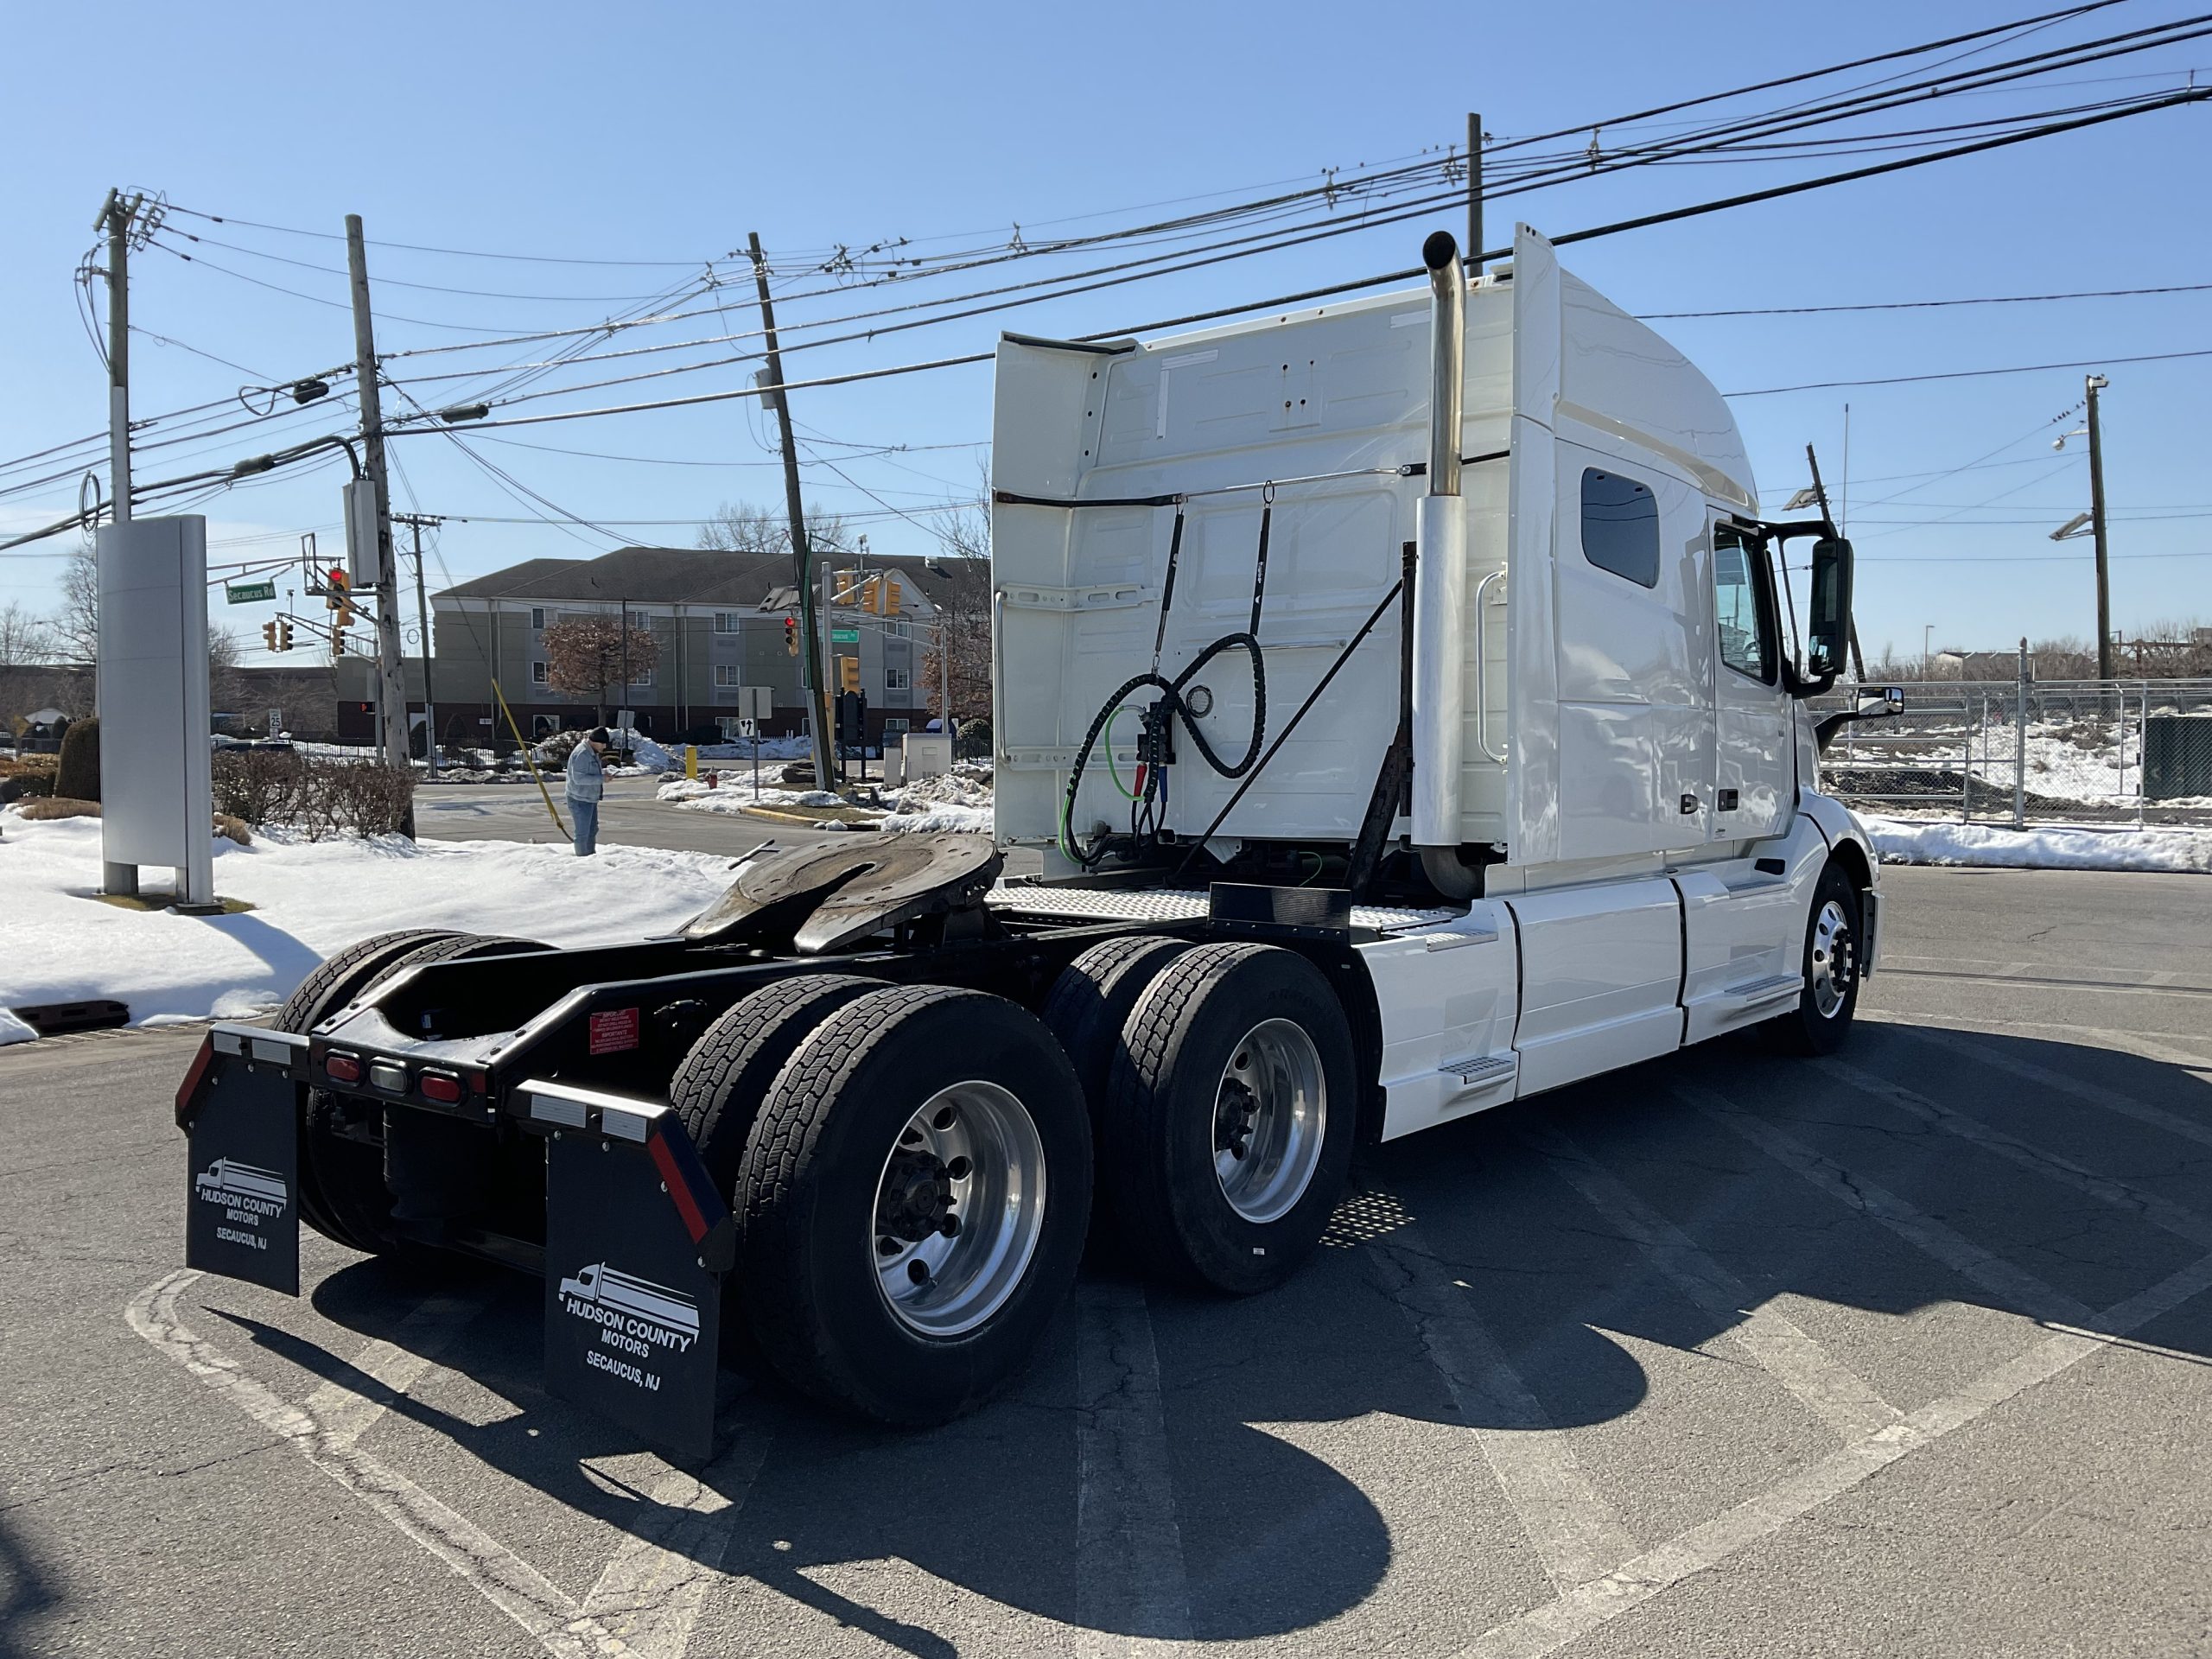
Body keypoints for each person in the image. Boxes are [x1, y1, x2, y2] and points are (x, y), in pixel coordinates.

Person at [566, 728, 610, 855]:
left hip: (589, 798)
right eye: (603, 743)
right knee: (583, 832)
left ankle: (590, 857)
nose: (605, 746)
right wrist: (601, 779)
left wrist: (602, 777)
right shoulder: (582, 754)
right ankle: (583, 860)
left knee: (592, 830)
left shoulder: (592, 752)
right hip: (579, 799)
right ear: (594, 741)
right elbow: (579, 778)